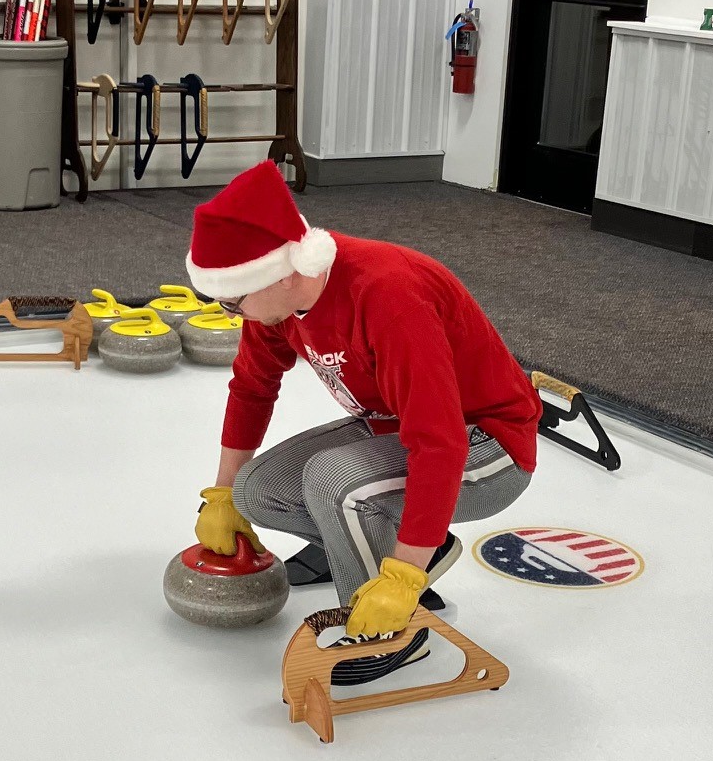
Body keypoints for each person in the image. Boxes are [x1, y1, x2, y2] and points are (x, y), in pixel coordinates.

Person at [187, 161, 542, 685]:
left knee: (334, 482)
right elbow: (251, 387)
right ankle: (393, 545)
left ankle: (395, 634)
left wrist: (404, 574)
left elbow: (440, 443)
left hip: (488, 445)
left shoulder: (387, 296)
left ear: (284, 273)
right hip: (398, 428)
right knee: (256, 491)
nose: (233, 313)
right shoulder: (276, 305)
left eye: (233, 300)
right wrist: (221, 495)